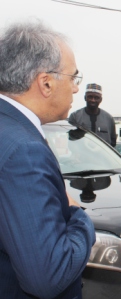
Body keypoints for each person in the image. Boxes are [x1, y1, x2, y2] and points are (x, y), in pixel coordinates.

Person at [0, 20, 96, 298]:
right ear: (46, 82)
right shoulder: (24, 151)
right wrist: (80, 219)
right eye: (73, 78)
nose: (76, 89)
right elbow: (47, 276)